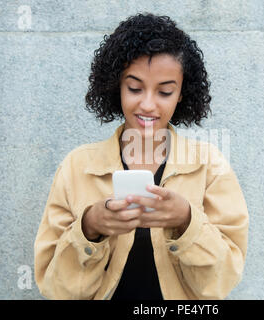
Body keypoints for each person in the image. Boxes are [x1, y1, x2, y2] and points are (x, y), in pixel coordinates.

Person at [34, 13, 249, 300]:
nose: (147, 105)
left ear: (181, 94)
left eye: (165, 92)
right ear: (116, 86)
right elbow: (56, 289)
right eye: (134, 88)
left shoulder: (210, 166)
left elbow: (220, 283)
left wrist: (187, 221)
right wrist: (89, 228)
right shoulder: (77, 167)